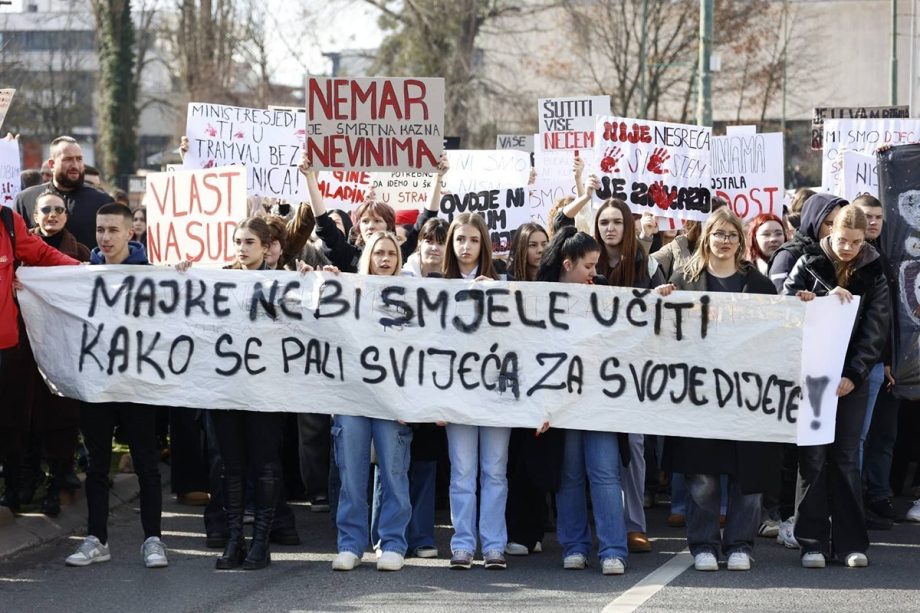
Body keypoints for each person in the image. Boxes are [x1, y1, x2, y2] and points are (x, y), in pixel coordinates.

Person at [664, 207, 783, 572]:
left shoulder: (760, 285)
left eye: (732, 235)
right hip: (699, 395)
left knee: (749, 474)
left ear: (741, 241)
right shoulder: (684, 281)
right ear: (707, 237)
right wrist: (661, 299)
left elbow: (780, 332)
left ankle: (740, 545)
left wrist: (803, 304)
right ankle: (703, 544)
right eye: (719, 234)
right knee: (702, 475)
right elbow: (666, 332)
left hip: (747, 396)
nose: (725, 241)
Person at [784, 204, 890, 569]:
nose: (848, 248)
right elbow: (782, 309)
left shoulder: (874, 270)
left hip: (850, 380)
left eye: (856, 242)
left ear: (865, 241)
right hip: (811, 376)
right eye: (843, 240)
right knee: (812, 458)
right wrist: (807, 302)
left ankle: (850, 543)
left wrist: (854, 375)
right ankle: (811, 542)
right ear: (831, 232)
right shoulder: (808, 263)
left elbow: (875, 331)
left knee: (846, 459)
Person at [64, 203, 169, 569]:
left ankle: (153, 540)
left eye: (112, 230)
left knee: (146, 464)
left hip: (138, 384)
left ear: (130, 233)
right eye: (100, 230)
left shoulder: (152, 276)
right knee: (96, 465)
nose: (105, 237)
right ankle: (96, 539)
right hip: (97, 384)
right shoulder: (83, 274)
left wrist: (182, 276)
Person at [537, 226, 627, 575]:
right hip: (561, 402)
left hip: (599, 398)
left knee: (605, 473)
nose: (594, 272)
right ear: (567, 263)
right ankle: (574, 546)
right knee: (570, 474)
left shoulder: (602, 290)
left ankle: (613, 550)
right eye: (588, 266)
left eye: (595, 265)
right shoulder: (541, 295)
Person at [206, 217, 290, 570]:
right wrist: (181, 275)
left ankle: (261, 542)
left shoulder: (284, 284)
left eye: (249, 242)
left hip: (265, 391)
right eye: (238, 241)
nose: (241, 248)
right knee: (232, 466)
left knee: (265, 465)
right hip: (227, 390)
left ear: (266, 246)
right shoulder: (219, 280)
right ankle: (234, 539)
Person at [330, 231, 413, 572]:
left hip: (392, 400)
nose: (385, 259)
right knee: (351, 475)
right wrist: (318, 283)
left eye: (391, 253)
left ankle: (392, 543)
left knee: (393, 472)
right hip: (352, 398)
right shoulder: (349, 291)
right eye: (379, 252)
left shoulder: (414, 296)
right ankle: (350, 545)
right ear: (368, 257)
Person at [440, 213, 510, 570]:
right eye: (459, 239)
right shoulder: (436, 286)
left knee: (495, 470)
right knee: (463, 471)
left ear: (484, 244)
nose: (466, 246)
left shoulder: (504, 282)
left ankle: (494, 544)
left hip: (497, 393)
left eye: (473, 240)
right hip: (457, 394)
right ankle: (463, 544)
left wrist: (499, 294)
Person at [0, 206, 80, 514]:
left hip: (7, 345)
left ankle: (14, 489)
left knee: (9, 420)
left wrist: (85, 272)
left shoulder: (8, 221)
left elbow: (43, 254)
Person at [504, 222, 555, 557]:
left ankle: (536, 529)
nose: (539, 251)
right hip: (512, 386)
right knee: (515, 462)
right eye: (532, 245)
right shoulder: (505, 282)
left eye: (543, 244)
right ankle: (517, 531)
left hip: (546, 385)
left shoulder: (556, 284)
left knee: (539, 462)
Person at [14, 136, 112, 248]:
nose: (75, 165)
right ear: (52, 164)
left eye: (79, 159)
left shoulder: (102, 201)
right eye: (68, 159)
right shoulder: (25, 200)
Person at [768, 193, 845, 293]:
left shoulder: (844, 253)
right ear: (814, 221)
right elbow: (779, 298)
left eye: (840, 224)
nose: (834, 230)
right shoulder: (787, 255)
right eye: (829, 224)